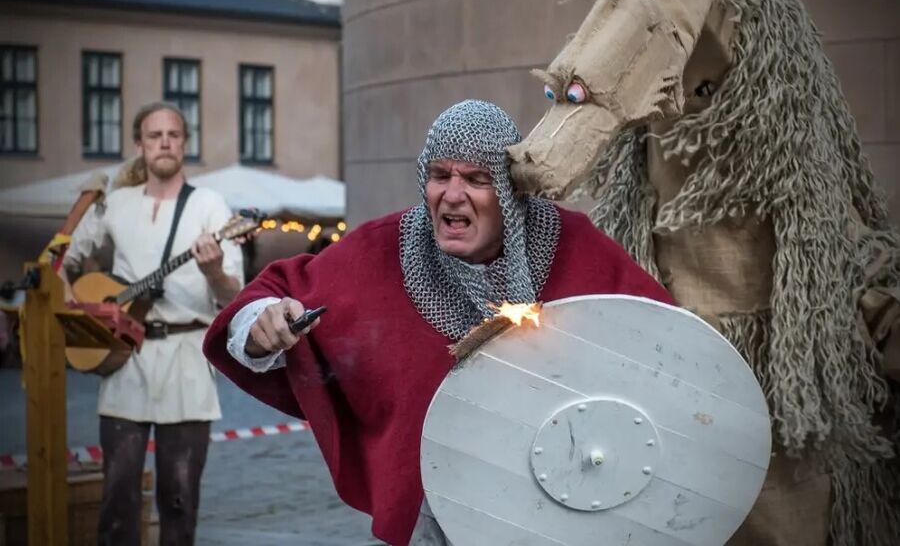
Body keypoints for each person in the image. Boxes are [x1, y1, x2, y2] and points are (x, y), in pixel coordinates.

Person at [203, 100, 673, 545]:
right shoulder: (382, 251)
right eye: (439, 175)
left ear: (510, 191)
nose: (452, 194)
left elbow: (666, 343)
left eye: (475, 178)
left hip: (560, 510)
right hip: (429, 512)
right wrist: (262, 326)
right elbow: (267, 295)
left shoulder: (573, 246)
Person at [63, 102, 244, 545]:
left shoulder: (210, 205)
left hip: (186, 361)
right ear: (138, 145)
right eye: (154, 135)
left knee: (179, 499)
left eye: (173, 134)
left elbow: (234, 296)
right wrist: (71, 300)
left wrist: (213, 271)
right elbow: (64, 255)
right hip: (125, 359)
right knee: (117, 497)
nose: (164, 142)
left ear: (184, 143)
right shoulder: (117, 203)